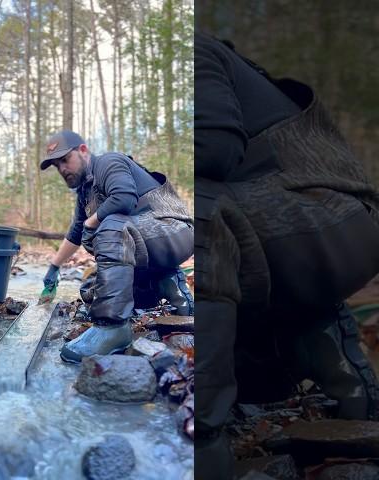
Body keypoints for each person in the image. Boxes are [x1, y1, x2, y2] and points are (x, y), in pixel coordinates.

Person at [194, 32, 379, 479]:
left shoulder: (192, 49)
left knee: (193, 206)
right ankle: (346, 391)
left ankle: (199, 441)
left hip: (331, 224)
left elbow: (214, 152)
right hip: (306, 234)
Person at [38, 130, 194, 363]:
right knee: (93, 290)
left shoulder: (108, 162)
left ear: (83, 151)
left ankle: (112, 328)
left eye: (64, 160)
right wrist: (54, 268)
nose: (62, 169)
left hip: (174, 232)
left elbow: (123, 198)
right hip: (150, 249)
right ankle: (163, 283)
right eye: (56, 165)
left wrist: (92, 223)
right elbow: (75, 233)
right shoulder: (85, 192)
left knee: (110, 224)